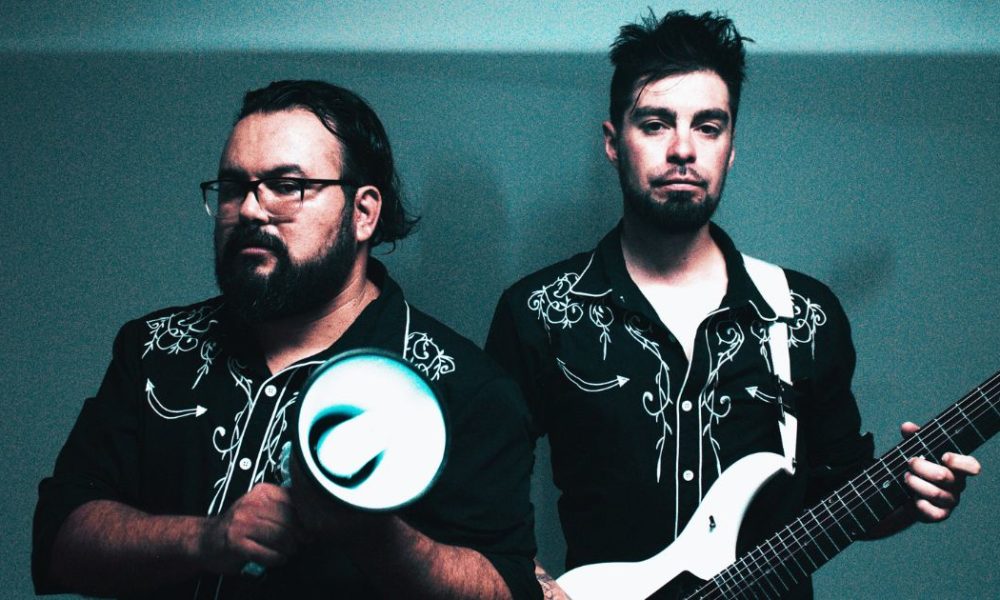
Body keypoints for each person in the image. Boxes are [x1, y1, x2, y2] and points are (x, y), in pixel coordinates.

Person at [485, 11, 982, 599]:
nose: (682, 150)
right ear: (614, 143)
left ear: (731, 147)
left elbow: (838, 500)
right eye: (655, 124)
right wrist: (543, 592)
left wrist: (910, 496)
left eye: (708, 127)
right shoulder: (540, 313)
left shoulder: (804, 316)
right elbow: (480, 501)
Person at [33, 80, 540, 600]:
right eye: (234, 187)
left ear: (363, 213)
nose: (250, 210)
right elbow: (59, 541)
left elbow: (512, 588)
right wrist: (207, 539)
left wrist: (371, 535)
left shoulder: (462, 388)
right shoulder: (155, 350)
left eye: (286, 186)